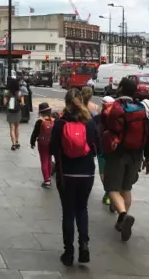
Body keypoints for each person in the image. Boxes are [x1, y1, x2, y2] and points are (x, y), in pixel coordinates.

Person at [102, 77, 149, 242]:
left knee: (112, 188)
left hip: (118, 153)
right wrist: (148, 158)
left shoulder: (116, 108)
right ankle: (121, 221)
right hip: (136, 154)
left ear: (121, 89)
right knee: (127, 188)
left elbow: (110, 129)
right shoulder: (142, 108)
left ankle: (123, 216)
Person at [50, 88, 96, 266]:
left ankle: (68, 252)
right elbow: (94, 147)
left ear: (66, 103)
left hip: (67, 173)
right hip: (87, 173)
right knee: (82, 209)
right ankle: (84, 245)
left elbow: (53, 148)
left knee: (68, 213)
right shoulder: (90, 123)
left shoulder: (60, 124)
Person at [96, 96, 116, 208]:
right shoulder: (117, 118)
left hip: (101, 149)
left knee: (103, 172)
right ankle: (110, 194)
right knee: (112, 172)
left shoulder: (98, 118)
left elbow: (96, 134)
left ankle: (108, 194)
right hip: (114, 148)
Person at [30, 102, 55, 188]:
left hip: (42, 144)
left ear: (41, 112)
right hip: (51, 143)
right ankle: (49, 177)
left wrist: (32, 142)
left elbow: (35, 133)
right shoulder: (53, 120)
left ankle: (46, 181)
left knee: (44, 160)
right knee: (49, 160)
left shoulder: (40, 121)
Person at [3, 78, 24, 150]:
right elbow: (23, 103)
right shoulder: (19, 92)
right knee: (17, 127)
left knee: (12, 128)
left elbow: (4, 102)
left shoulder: (6, 92)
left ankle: (13, 144)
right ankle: (17, 142)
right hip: (17, 111)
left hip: (10, 111)